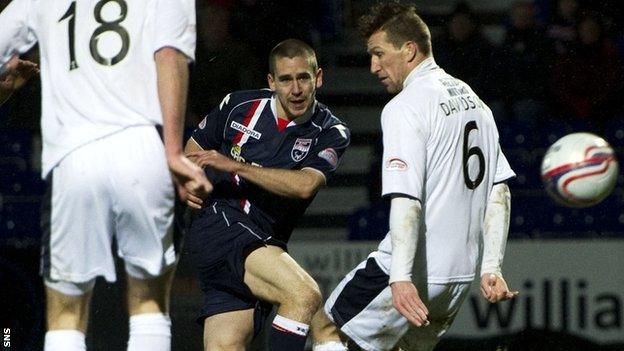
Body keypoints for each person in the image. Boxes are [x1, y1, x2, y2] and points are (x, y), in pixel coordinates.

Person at [0, 0, 212, 350]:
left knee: (66, 313)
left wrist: (5, 91)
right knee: (149, 304)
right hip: (142, 149)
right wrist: (173, 150)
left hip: (73, 158)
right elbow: (170, 56)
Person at [311, 3, 517, 351]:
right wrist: (491, 266)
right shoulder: (474, 101)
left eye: (379, 54)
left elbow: (407, 199)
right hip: (457, 279)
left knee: (327, 327)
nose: (373, 66)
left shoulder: (405, 107)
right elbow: (499, 191)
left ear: (409, 49)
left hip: (415, 271)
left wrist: (401, 277)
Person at [184, 38, 350, 351]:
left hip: (264, 242)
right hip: (220, 224)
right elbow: (192, 151)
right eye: (286, 80)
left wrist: (236, 165)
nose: (296, 89)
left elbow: (304, 185)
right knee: (304, 296)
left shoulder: (330, 131)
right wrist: (187, 181)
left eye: (303, 77)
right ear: (271, 82)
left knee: (228, 345)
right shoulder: (238, 105)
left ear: (319, 78)